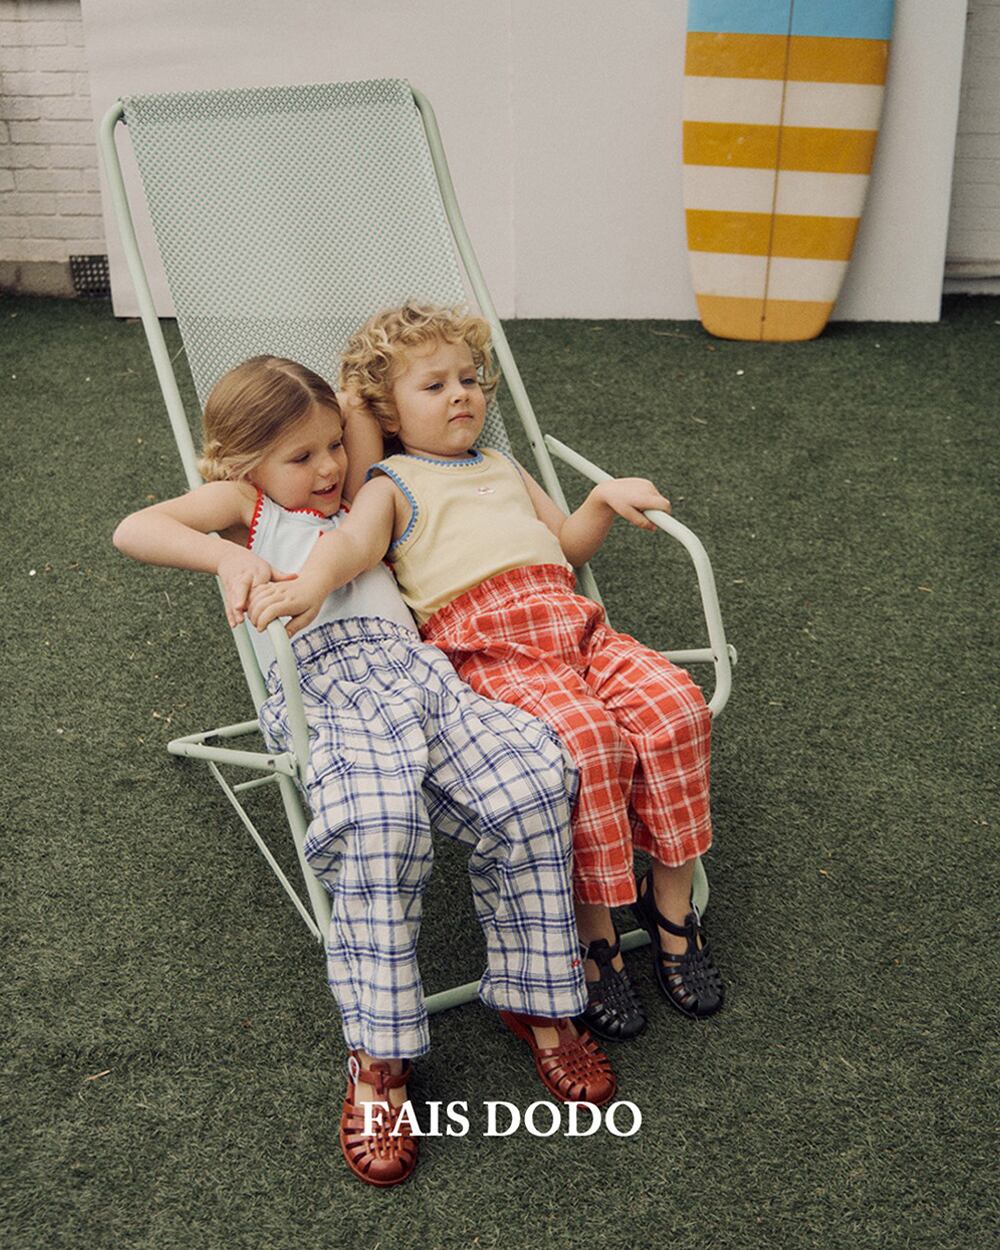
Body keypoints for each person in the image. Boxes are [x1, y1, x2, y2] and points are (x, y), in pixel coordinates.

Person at [112, 355, 616, 1189]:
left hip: (419, 672)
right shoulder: (247, 505)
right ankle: (379, 1058)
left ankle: (535, 998)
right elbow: (135, 528)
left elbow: (353, 416)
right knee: (381, 826)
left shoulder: (360, 493)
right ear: (245, 466)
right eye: (301, 456)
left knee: (533, 778)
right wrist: (229, 560)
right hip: (326, 693)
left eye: (332, 446)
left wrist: (347, 407)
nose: (327, 467)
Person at [248, 305, 726, 1048]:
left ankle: (671, 910)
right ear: (387, 413)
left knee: (675, 707)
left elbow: (566, 545)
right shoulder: (386, 482)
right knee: (587, 741)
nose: (460, 395)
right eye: (433, 386)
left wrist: (600, 502)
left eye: (468, 379)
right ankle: (594, 933)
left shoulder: (502, 466)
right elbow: (349, 547)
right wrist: (311, 582)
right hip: (494, 649)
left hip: (576, 624)